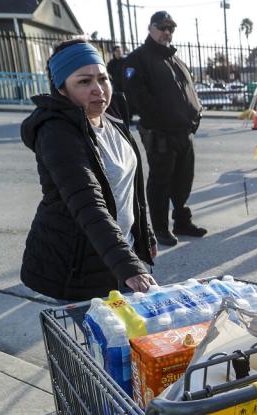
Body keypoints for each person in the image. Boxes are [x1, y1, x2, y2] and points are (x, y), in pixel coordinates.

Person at [20, 38, 157, 303]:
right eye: (84, 82)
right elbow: (88, 203)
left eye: (103, 79)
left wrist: (145, 232)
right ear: (62, 89)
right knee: (97, 342)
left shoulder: (112, 116)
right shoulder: (56, 132)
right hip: (78, 264)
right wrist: (127, 264)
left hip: (117, 253)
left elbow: (130, 187)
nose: (98, 90)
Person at [124, 10, 206, 247]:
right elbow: (137, 96)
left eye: (170, 29)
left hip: (183, 132)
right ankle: (159, 228)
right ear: (150, 28)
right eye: (161, 27)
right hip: (161, 134)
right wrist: (163, 119)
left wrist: (195, 114)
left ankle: (182, 221)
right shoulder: (138, 59)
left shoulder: (175, 60)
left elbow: (189, 92)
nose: (166, 33)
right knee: (160, 182)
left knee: (183, 180)